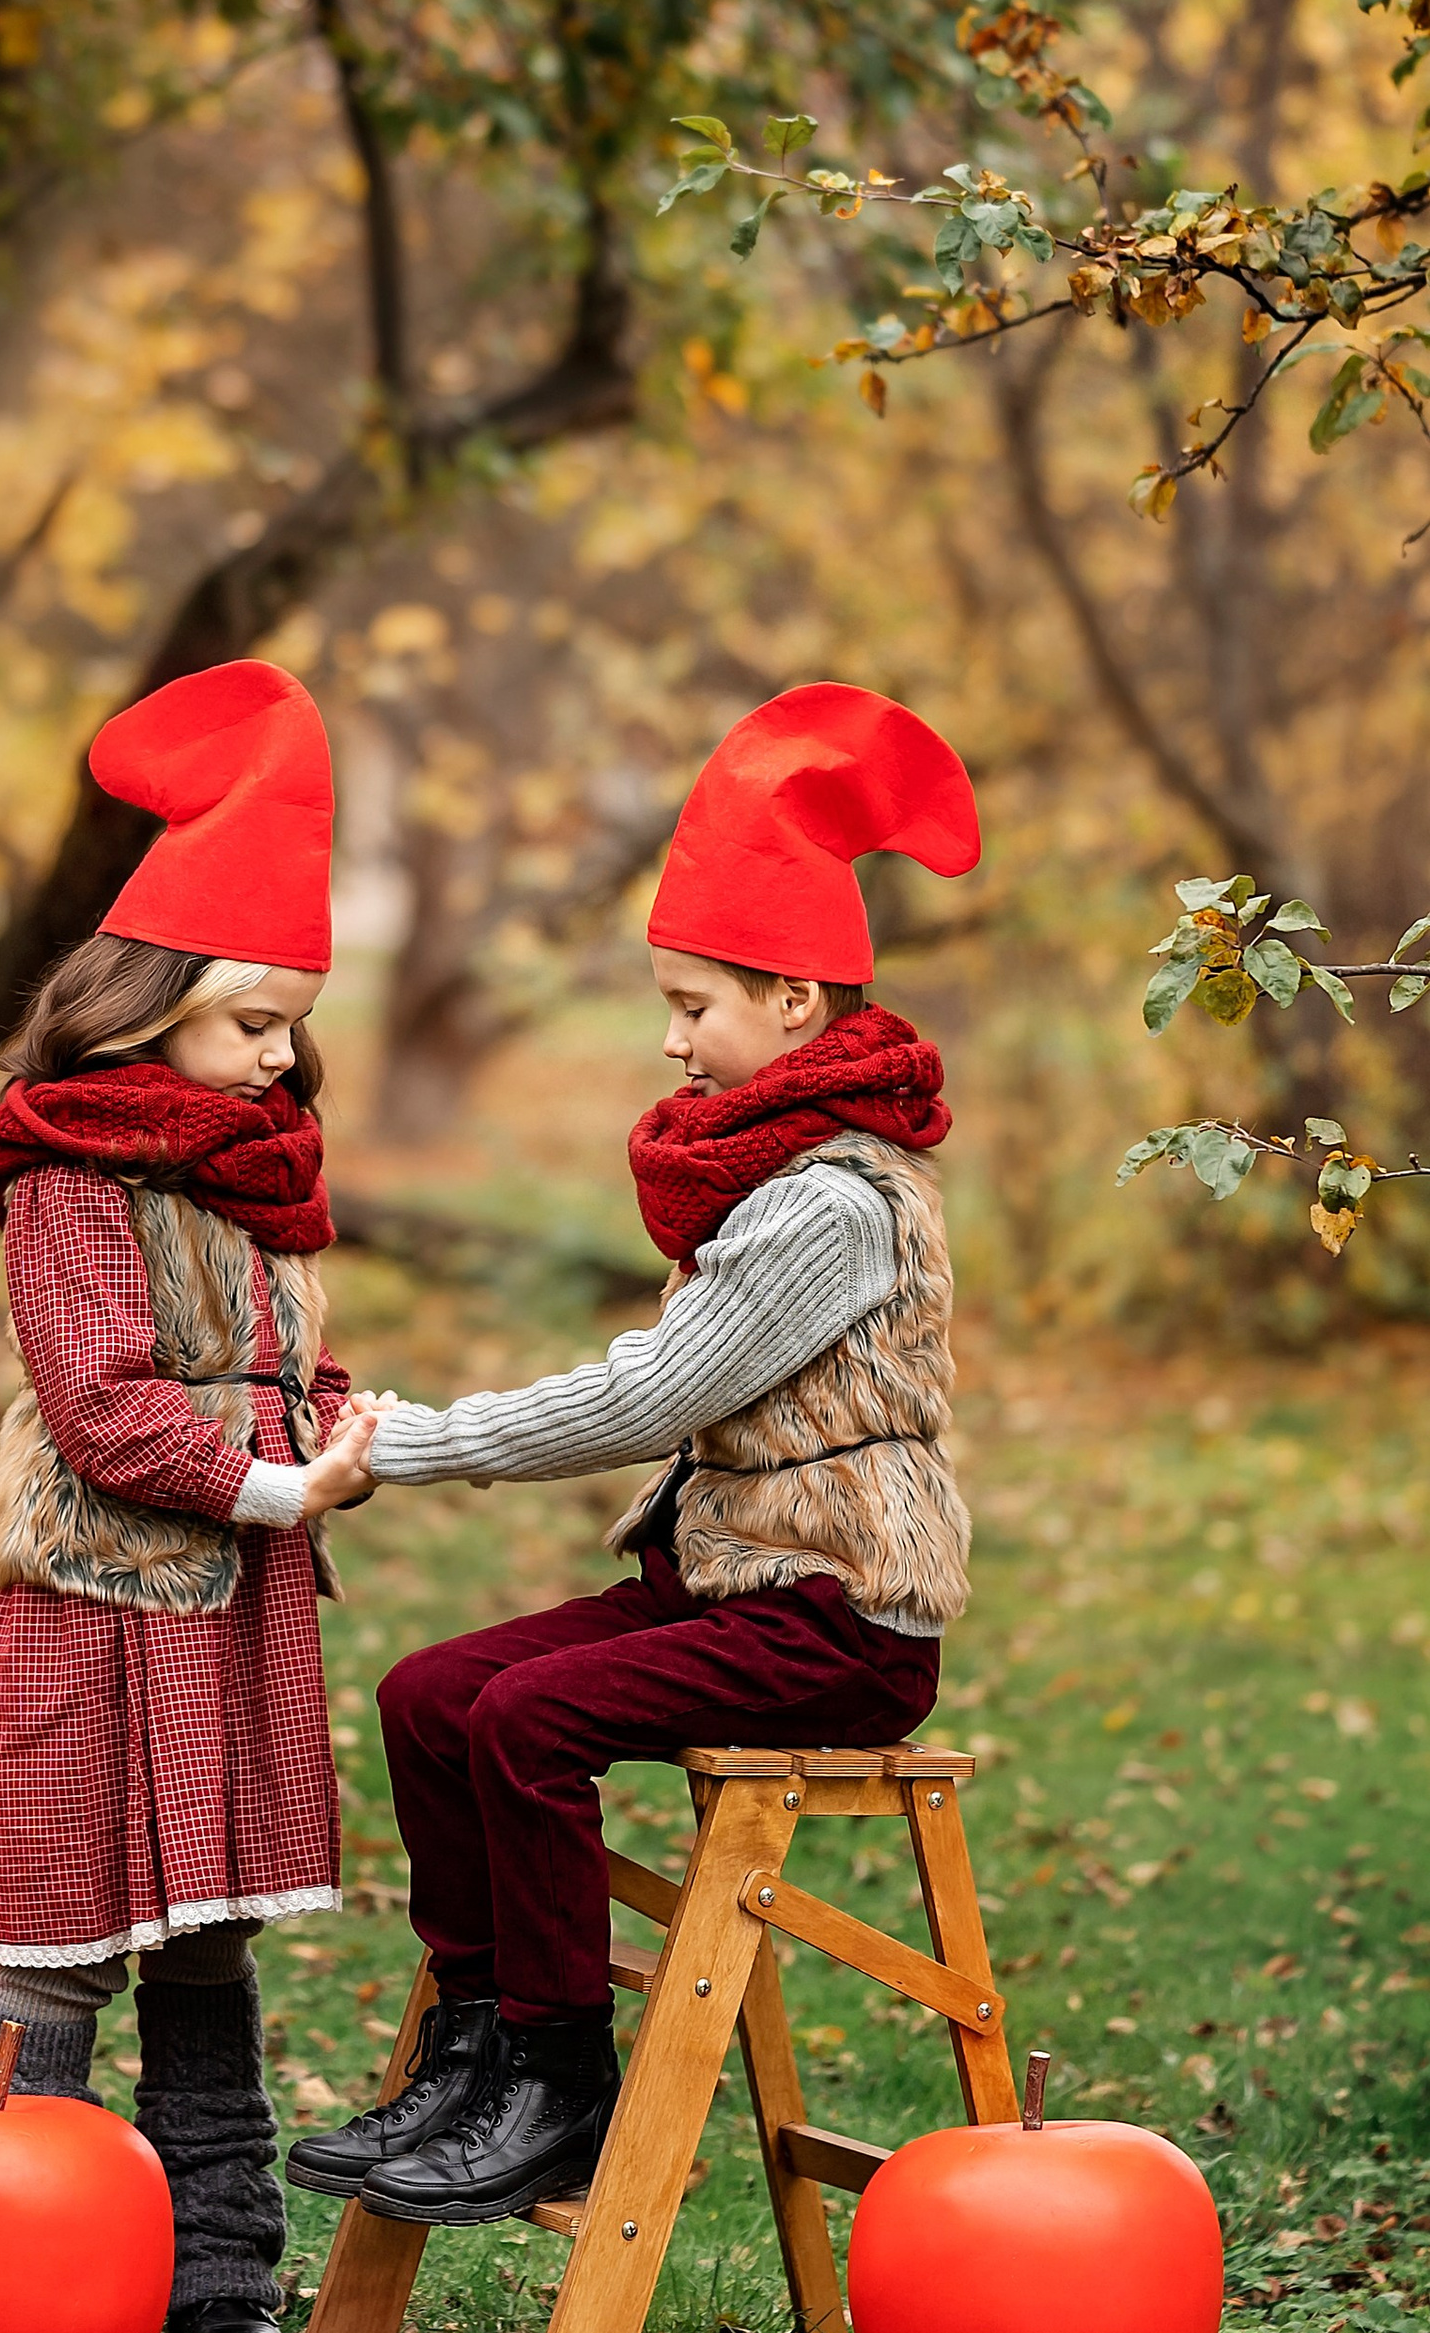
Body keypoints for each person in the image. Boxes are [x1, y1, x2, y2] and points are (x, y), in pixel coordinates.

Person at [286, 683, 980, 2230]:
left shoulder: (832, 1202)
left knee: (531, 1720)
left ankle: (556, 2084)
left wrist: (417, 1443)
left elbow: (651, 1397)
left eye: (694, 1003)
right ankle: (475, 2051)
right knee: (430, 1696)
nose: (668, 1038)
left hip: (842, 1620)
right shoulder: (771, 1172)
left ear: (794, 1004)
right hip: (735, 1593)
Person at [0, 659, 378, 2333]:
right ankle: (11, 2266)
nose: (280, 1057)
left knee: (206, 1943)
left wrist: (332, 1406)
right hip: (105, 1595)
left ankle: (217, 2285)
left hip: (233, 1607)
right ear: (145, 1010)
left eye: (291, 1025)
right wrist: (280, 1476)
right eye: (250, 1024)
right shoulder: (70, 1171)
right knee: (64, 1933)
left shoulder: (250, 1172)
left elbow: (256, 1352)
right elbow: (105, 1403)